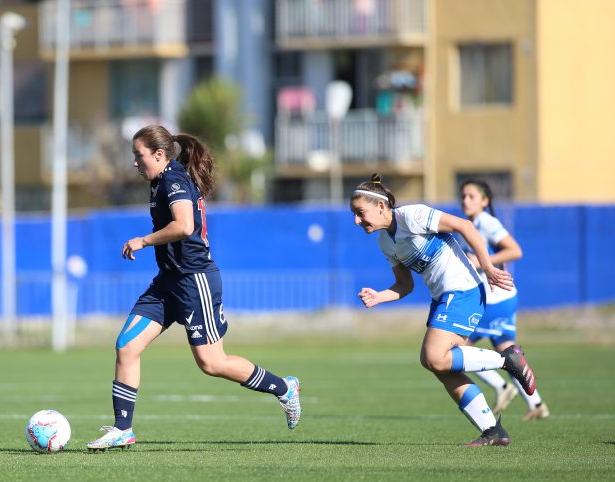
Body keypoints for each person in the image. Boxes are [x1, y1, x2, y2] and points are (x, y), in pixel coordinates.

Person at [87, 125, 301, 451]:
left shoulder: (173, 180)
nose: (134, 162)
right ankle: (122, 429)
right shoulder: (160, 180)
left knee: (212, 363)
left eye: (138, 155)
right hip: (168, 282)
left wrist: (143, 240)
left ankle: (284, 387)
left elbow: (184, 226)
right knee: (127, 346)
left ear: (159, 155)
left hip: (194, 280)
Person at [351, 174, 536, 447]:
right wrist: (380, 296)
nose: (357, 221)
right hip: (443, 297)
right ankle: (492, 430)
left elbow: (464, 226)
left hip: (464, 290)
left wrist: (487, 267)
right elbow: (405, 285)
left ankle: (508, 360)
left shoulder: (412, 216)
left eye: (360, 213)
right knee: (438, 365)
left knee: (434, 356)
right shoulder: (385, 242)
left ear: (380, 206)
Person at [460, 179, 550, 420]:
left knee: (454, 350)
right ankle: (537, 404)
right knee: (508, 355)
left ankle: (501, 387)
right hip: (503, 297)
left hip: (495, 300)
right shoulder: (472, 224)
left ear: (485, 201)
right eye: (463, 196)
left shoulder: (486, 222)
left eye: (471, 196)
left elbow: (515, 250)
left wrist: (481, 261)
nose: (465, 200)